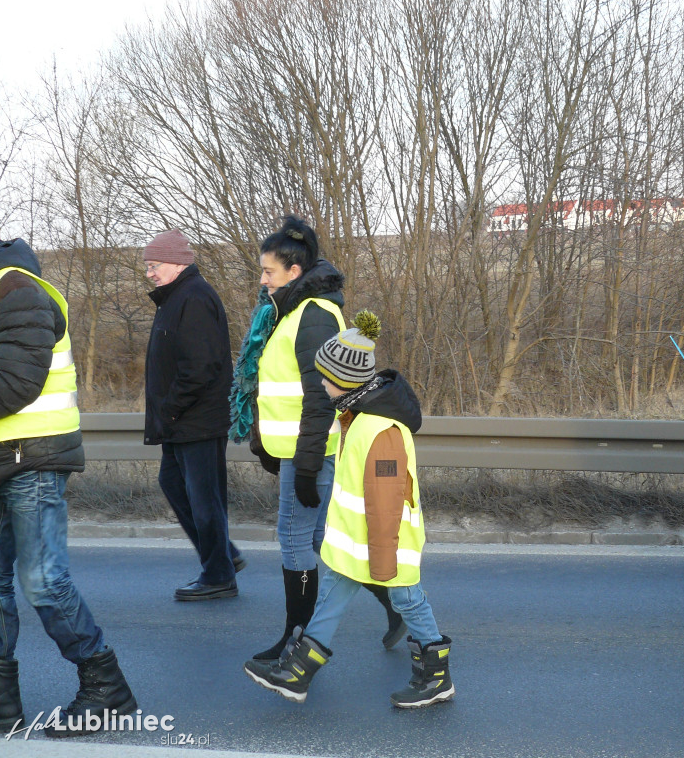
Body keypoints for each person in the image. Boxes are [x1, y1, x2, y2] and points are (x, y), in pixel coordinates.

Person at [244, 312, 455, 709]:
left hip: (387, 546)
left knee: (410, 602)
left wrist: (382, 559)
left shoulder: (381, 430)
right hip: (358, 545)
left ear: (344, 380)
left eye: (325, 376)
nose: (320, 383)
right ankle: (297, 674)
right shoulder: (356, 416)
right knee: (334, 597)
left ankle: (436, 677)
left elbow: (386, 500)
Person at [229, 216, 403, 661]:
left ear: (294, 271)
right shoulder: (293, 313)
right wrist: (270, 445)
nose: (262, 280)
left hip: (316, 453)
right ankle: (399, 607)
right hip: (301, 451)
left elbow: (320, 397)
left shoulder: (313, 316)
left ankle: (296, 639)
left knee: (295, 540)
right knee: (327, 541)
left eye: (268, 271)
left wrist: (304, 464)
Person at [0, 237, 137, 736]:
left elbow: (14, 383)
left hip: (32, 460)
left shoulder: (18, 289)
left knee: (43, 581)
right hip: (2, 459)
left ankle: (106, 688)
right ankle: (0, 706)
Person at [143, 229, 245, 601]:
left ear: (177, 263)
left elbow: (201, 367)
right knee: (175, 485)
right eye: (147, 267)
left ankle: (218, 574)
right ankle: (223, 555)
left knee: (204, 499)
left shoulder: (195, 297)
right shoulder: (176, 298)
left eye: (154, 266)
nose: (150, 273)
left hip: (195, 420)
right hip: (181, 422)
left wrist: (168, 410)